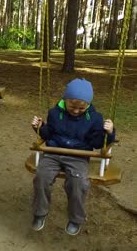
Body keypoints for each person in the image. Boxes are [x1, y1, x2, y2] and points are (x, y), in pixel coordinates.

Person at [30, 78, 116, 236]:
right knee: (41, 177)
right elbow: (48, 133)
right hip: (53, 153)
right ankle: (39, 213)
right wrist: (39, 127)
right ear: (65, 100)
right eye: (72, 106)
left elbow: (97, 143)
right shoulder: (55, 113)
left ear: (88, 105)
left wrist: (109, 133)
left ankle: (76, 218)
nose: (76, 111)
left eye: (81, 108)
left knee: (78, 183)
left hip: (79, 156)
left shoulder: (95, 118)